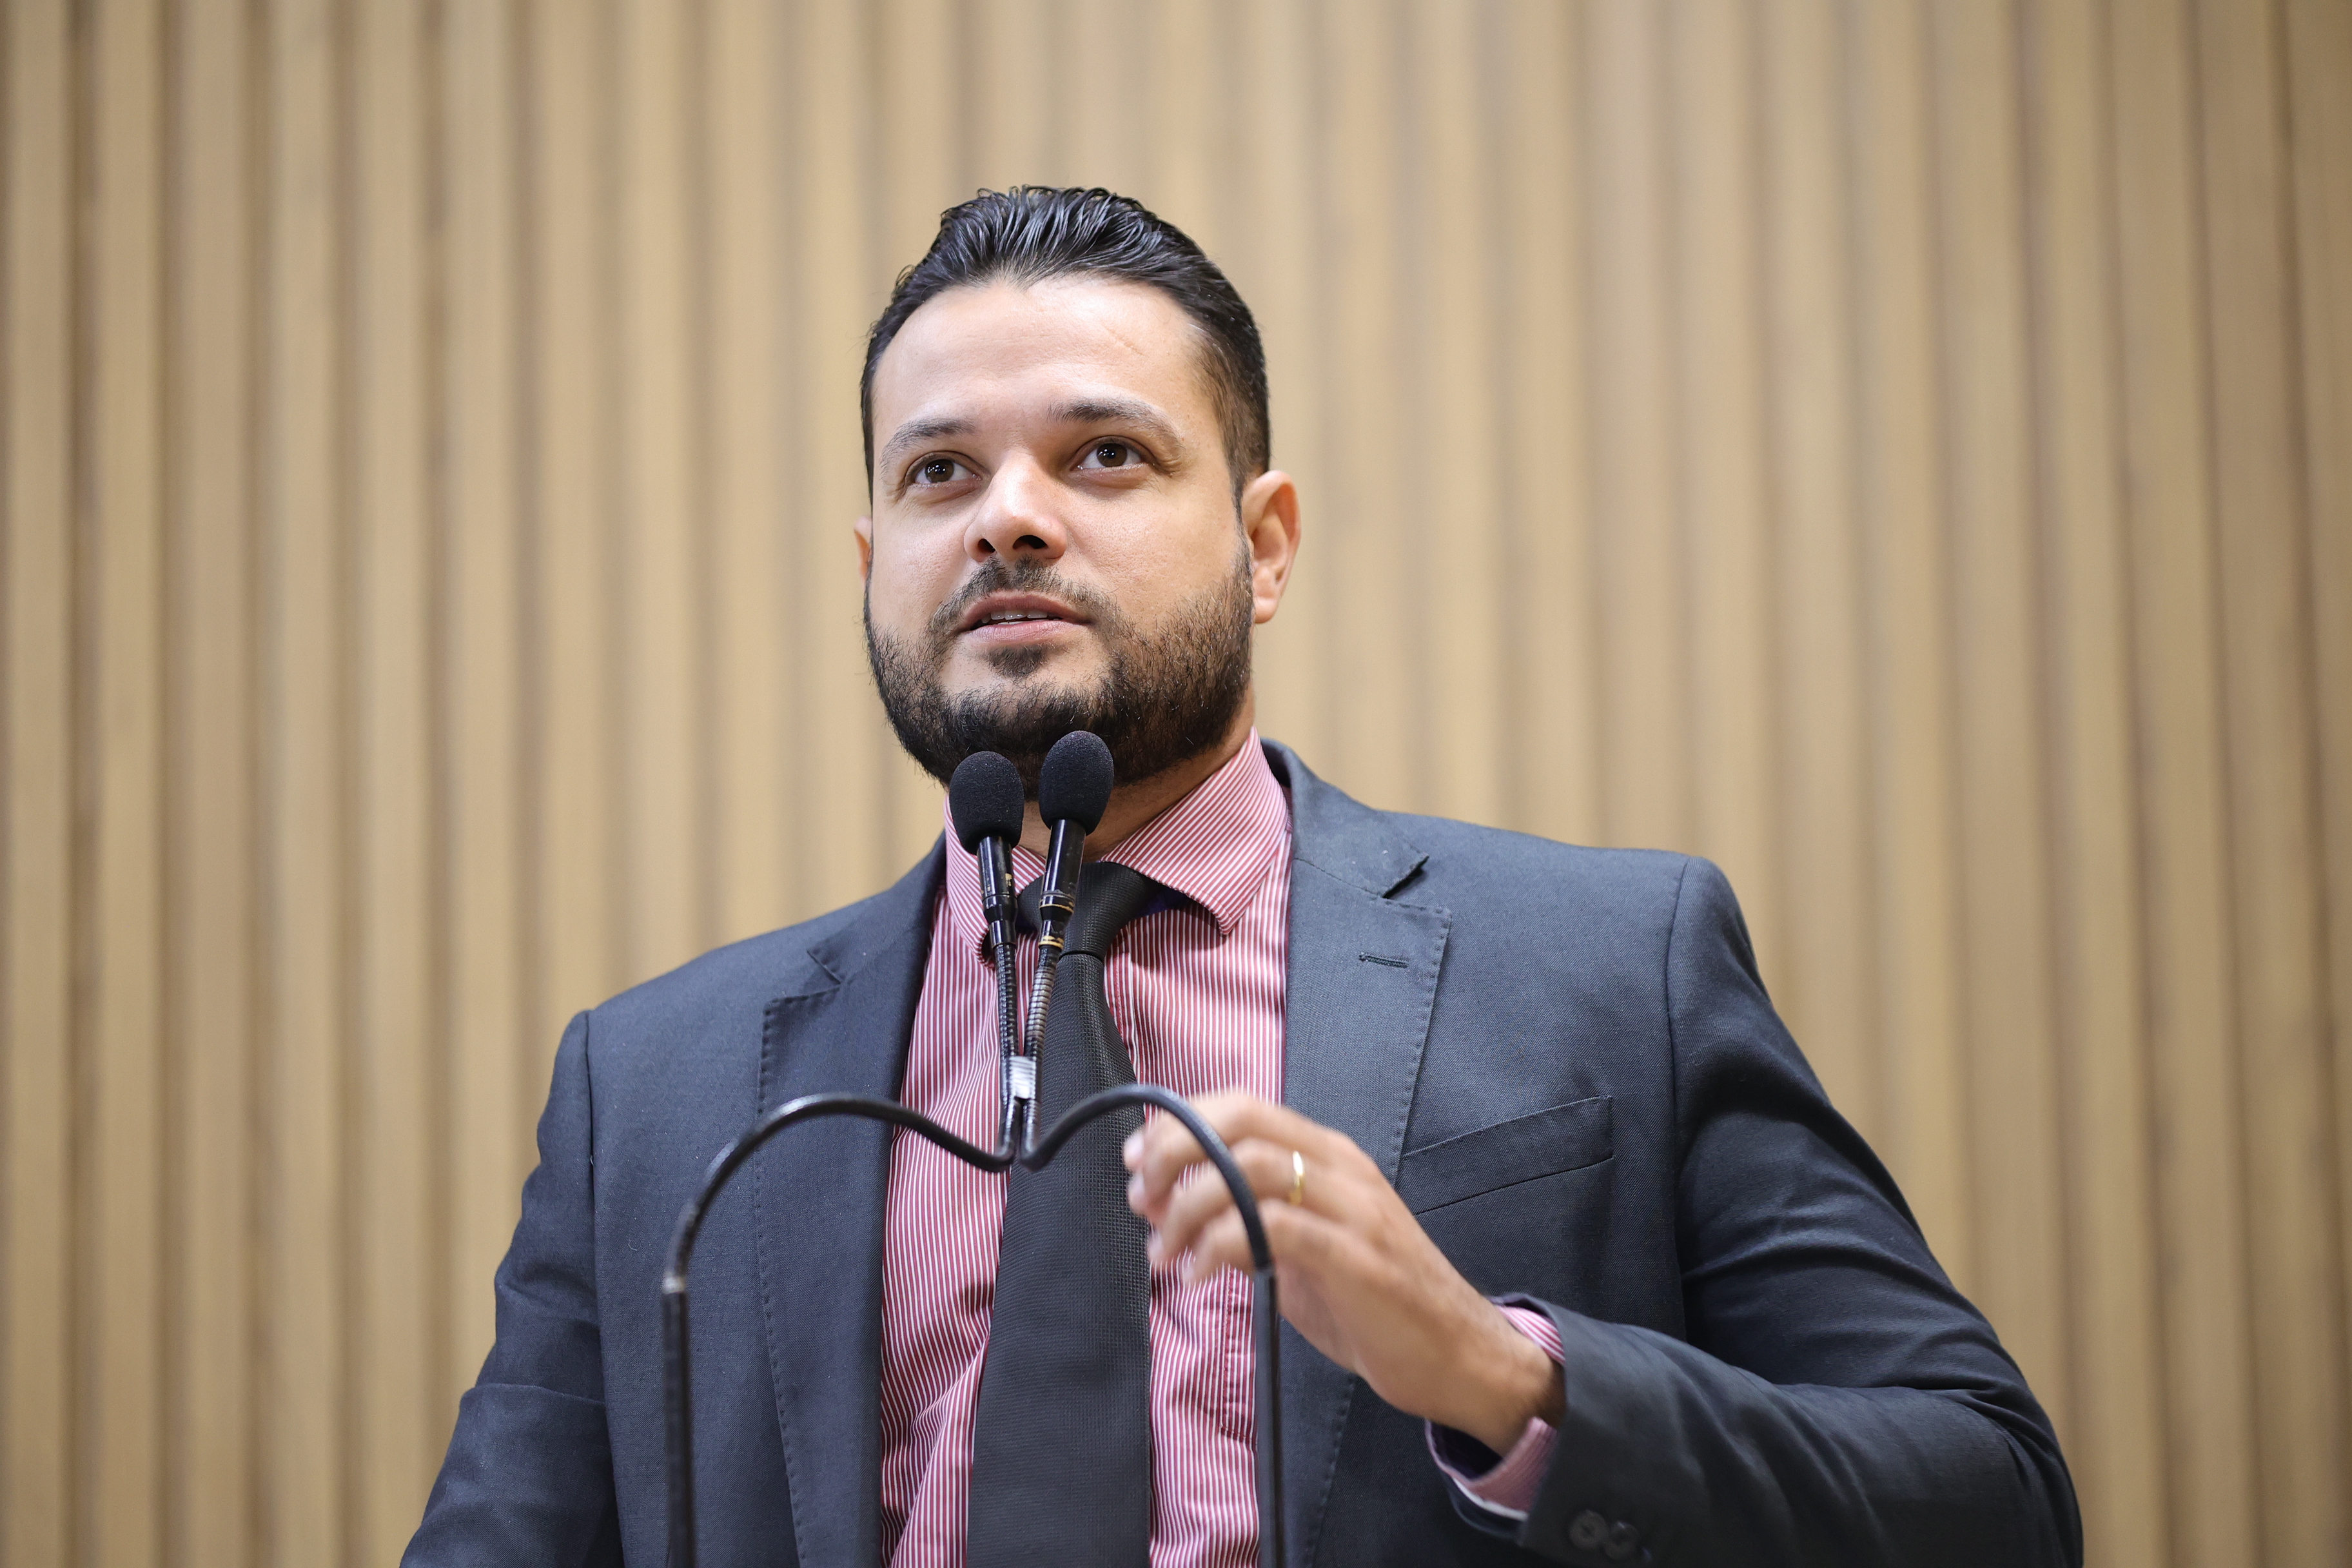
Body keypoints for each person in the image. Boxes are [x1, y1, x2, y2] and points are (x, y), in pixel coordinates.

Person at [405, 186, 2080, 1567]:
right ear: (873, 566)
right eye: (938, 473)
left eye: (1104, 456)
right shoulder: (659, 1089)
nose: (1006, 519)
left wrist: (1502, 1376)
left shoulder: (1609, 969)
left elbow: (1992, 1499)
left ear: (1265, 544)